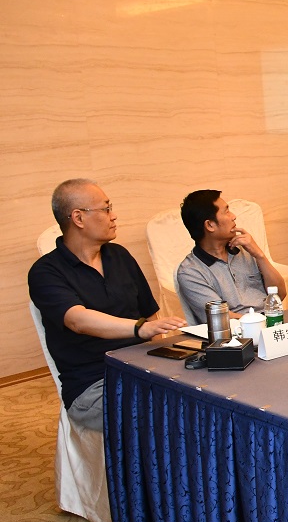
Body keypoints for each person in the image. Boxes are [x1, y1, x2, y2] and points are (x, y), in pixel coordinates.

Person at [27, 179, 186, 432]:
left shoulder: (119, 255)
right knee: (165, 413)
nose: (114, 216)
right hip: (95, 384)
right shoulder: (46, 272)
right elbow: (78, 320)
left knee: (207, 395)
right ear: (78, 218)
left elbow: (150, 316)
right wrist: (138, 329)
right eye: (106, 208)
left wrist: (164, 363)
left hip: (144, 369)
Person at [176, 190, 286, 324]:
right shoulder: (190, 272)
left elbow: (280, 295)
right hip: (237, 332)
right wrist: (261, 322)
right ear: (210, 225)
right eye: (226, 212)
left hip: (271, 322)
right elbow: (220, 318)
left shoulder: (245, 250)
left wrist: (260, 256)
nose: (233, 216)